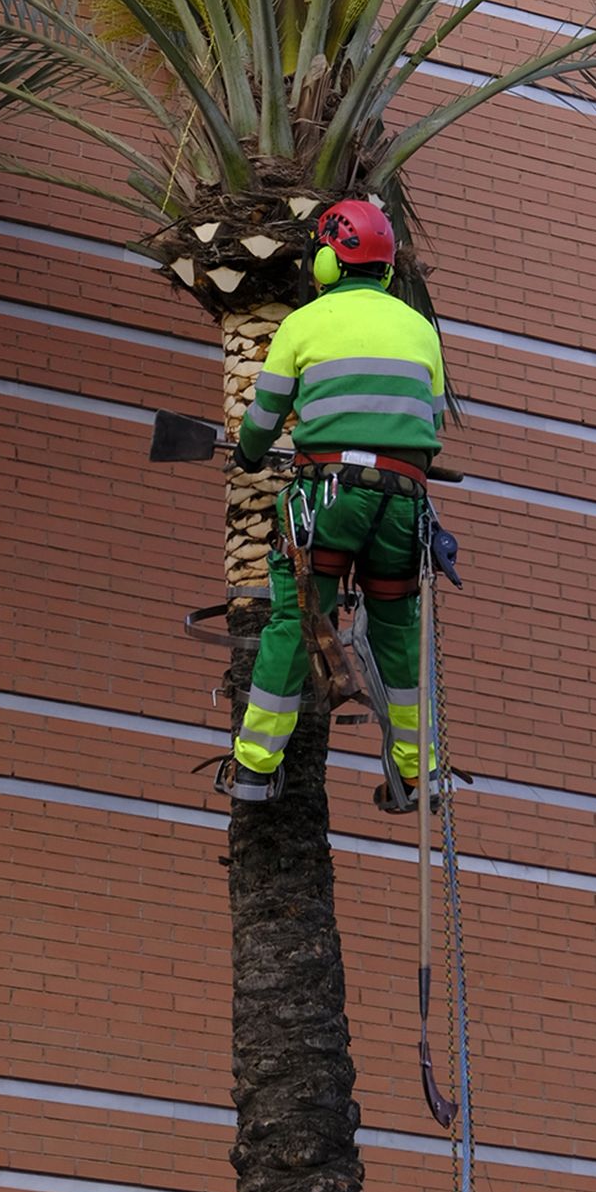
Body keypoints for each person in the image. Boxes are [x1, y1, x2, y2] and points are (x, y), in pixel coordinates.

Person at [226, 198, 447, 808]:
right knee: (398, 635)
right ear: (386, 269)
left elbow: (264, 417)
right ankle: (417, 773)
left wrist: (246, 455)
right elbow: (429, 423)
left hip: (328, 499)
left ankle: (253, 769)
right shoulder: (419, 328)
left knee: (296, 622)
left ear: (326, 261)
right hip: (402, 504)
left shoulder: (305, 324)